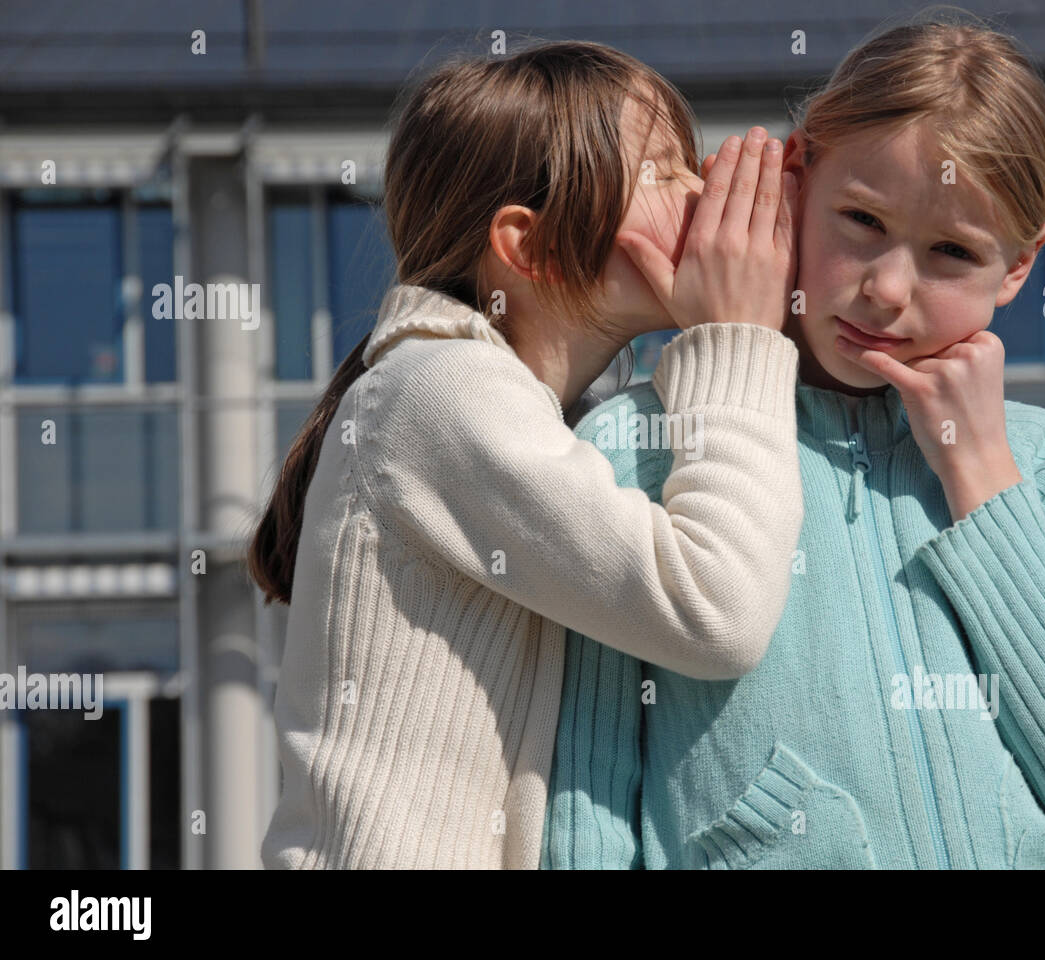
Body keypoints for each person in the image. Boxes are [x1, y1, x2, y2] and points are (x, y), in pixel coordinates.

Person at [543, 19, 1045, 869]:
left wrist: (982, 476)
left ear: (1019, 268)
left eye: (952, 251)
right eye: (862, 221)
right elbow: (588, 793)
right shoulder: (641, 447)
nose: (887, 290)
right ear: (796, 176)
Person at [249, 39, 804, 869]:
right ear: (529, 246)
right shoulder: (445, 388)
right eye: (659, 172)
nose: (699, 193)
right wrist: (741, 341)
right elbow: (714, 607)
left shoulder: (486, 399)